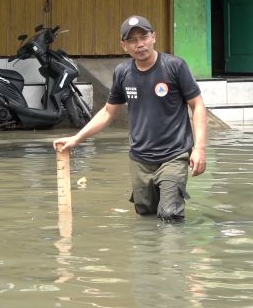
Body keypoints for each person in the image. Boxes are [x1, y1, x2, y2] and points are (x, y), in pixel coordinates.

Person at [53, 15, 207, 221]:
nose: (139, 44)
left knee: (170, 214)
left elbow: (197, 105)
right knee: (146, 217)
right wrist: (76, 139)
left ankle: (174, 251)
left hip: (174, 155)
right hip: (139, 159)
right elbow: (108, 112)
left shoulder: (174, 66)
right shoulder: (123, 73)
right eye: (132, 40)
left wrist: (200, 148)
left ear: (154, 37)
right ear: (123, 45)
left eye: (143, 37)